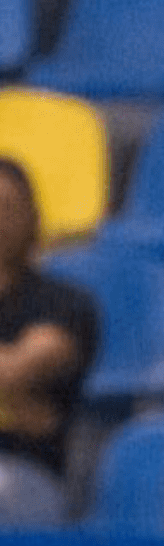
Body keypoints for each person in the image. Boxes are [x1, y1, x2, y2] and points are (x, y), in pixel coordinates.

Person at [0, 160, 99, 527]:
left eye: (8, 207)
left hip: (26, 469)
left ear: (33, 218)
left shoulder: (63, 303)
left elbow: (12, 372)